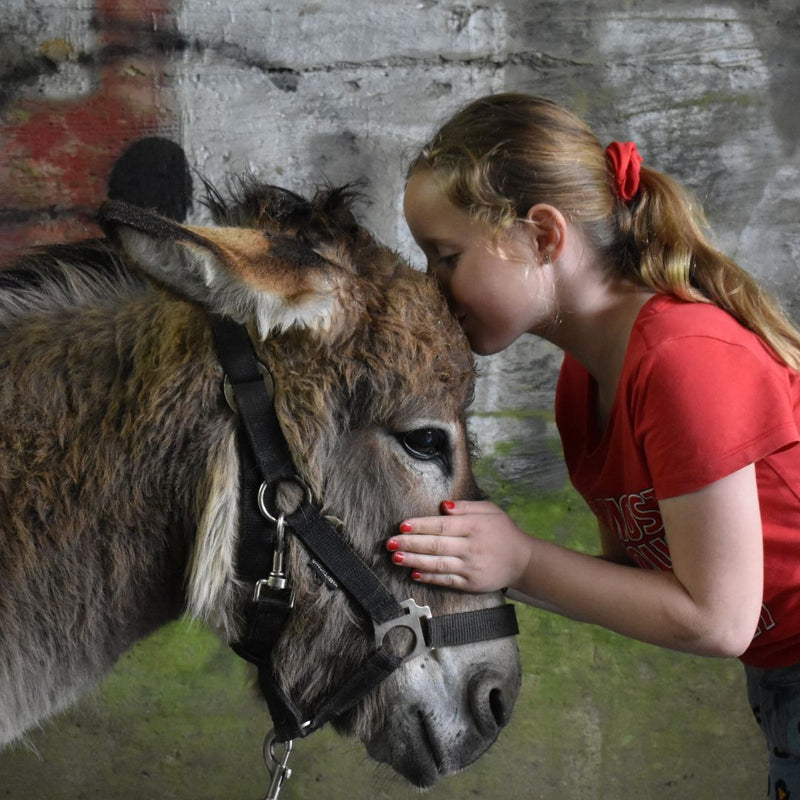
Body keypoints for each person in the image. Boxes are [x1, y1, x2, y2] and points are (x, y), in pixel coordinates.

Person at [386, 92, 800, 797]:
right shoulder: (582, 386)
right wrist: (488, 570)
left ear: (543, 236)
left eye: (445, 256)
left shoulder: (683, 361)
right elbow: (641, 589)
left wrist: (518, 558)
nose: (432, 287)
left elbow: (718, 618)